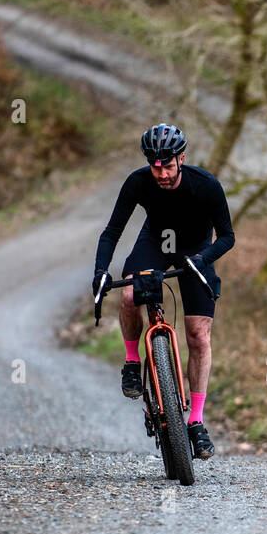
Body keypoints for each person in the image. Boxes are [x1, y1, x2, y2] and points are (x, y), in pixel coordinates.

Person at [92, 123, 234, 459]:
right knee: (128, 295)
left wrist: (202, 259)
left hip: (196, 252)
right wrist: (100, 272)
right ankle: (131, 360)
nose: (162, 174)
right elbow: (111, 232)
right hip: (155, 244)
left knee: (198, 335)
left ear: (181, 158)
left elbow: (227, 236)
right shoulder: (138, 182)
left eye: (168, 166)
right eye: (156, 166)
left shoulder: (206, 185)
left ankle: (196, 422)